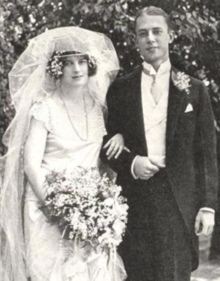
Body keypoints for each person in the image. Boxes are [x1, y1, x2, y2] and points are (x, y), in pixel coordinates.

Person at [101, 6, 218, 281]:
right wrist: (132, 163)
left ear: (171, 36)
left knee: (175, 274)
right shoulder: (120, 89)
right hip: (135, 201)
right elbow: (104, 142)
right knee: (137, 273)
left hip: (180, 203)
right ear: (136, 40)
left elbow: (207, 153)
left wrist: (207, 206)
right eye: (143, 34)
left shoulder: (194, 89)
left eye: (157, 32)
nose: (150, 39)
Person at [0, 27, 126, 281]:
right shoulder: (44, 108)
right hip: (46, 208)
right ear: (57, 69)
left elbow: (108, 146)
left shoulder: (98, 107)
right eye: (68, 63)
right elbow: (31, 166)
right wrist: (55, 207)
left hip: (91, 210)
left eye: (82, 61)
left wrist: (120, 135)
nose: (77, 69)